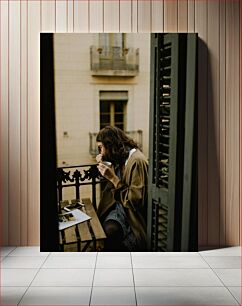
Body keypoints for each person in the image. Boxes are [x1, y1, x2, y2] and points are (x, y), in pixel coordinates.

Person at [96, 126, 148, 251]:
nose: (100, 152)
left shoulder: (136, 161)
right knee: (105, 229)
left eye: (101, 148)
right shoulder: (122, 157)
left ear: (111, 145)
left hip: (132, 218)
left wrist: (113, 179)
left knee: (110, 232)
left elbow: (135, 201)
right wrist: (103, 163)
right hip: (118, 210)